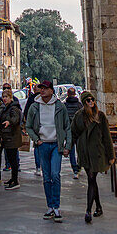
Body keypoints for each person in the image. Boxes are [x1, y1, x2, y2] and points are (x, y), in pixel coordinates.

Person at [25, 79, 71, 222]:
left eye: (45, 88)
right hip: (43, 145)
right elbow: (28, 126)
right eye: (41, 88)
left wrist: (67, 146)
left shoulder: (59, 107)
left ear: (51, 90)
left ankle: (56, 206)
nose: (43, 90)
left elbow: (67, 127)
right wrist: (36, 139)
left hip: (56, 145)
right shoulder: (34, 107)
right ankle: (50, 206)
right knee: (46, 176)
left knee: (55, 174)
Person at [71, 91, 114, 223]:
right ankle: (99, 207)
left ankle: (88, 210)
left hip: (97, 153)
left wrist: (111, 155)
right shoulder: (79, 117)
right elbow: (73, 133)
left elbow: (107, 137)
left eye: (92, 100)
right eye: (88, 100)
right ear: (84, 103)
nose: (91, 102)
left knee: (91, 178)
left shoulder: (100, 116)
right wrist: (67, 148)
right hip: (85, 153)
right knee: (92, 180)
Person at [0, 86, 22, 189]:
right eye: (3, 97)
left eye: (6, 96)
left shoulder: (13, 108)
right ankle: (13, 178)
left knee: (13, 160)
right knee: (10, 158)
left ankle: (15, 180)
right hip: (7, 137)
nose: (4, 98)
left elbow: (15, 119)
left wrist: (9, 122)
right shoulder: (5, 108)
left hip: (12, 137)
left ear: (10, 97)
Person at [63, 87, 82, 178]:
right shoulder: (79, 105)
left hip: (69, 131)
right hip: (78, 130)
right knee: (80, 149)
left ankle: (74, 169)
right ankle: (79, 167)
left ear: (67, 94)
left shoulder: (65, 105)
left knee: (71, 150)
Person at [23, 84, 41, 176]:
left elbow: (26, 112)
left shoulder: (31, 99)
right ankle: (42, 165)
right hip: (43, 125)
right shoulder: (44, 98)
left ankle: (38, 167)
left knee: (37, 146)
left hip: (34, 125)